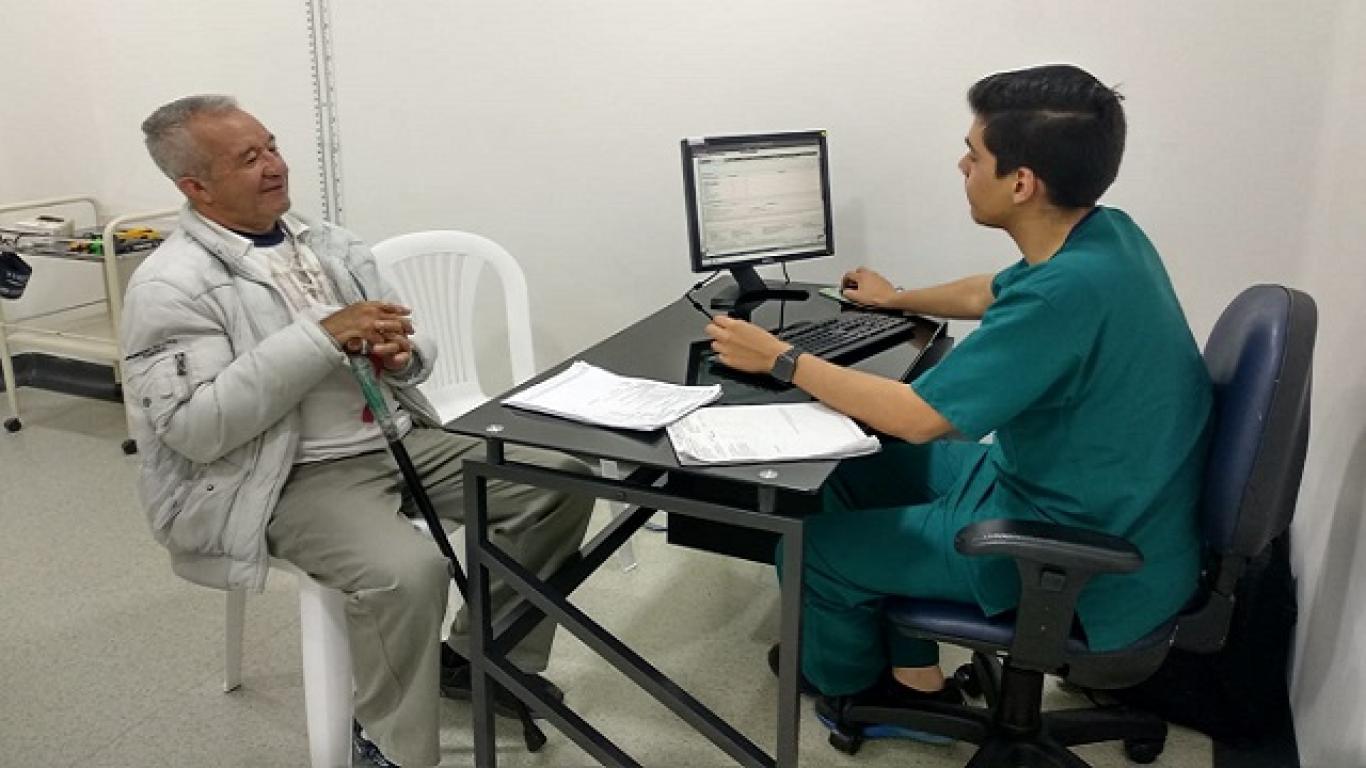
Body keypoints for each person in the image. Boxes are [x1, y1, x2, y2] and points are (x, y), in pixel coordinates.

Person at [705, 64, 1213, 737]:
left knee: (810, 551)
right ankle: (915, 672)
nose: (962, 164)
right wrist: (895, 299)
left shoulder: (1061, 297)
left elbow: (917, 418)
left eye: (974, 154)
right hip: (1087, 494)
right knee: (847, 475)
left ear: (1021, 183)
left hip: (1074, 544)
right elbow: (988, 291)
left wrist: (782, 358)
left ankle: (855, 692)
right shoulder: (1107, 235)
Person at [123, 95, 593, 767]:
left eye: (272, 145)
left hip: (397, 437)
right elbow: (195, 431)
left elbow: (409, 337)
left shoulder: (328, 244)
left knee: (559, 479)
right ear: (196, 187)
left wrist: (404, 355)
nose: (275, 165)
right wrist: (320, 337)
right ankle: (389, 743)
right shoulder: (170, 285)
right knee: (408, 572)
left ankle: (477, 658)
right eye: (249, 159)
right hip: (288, 471)